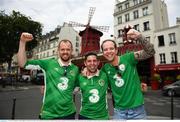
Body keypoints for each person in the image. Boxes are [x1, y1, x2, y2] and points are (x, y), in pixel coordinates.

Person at [17, 32, 79, 119]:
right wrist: (22, 42)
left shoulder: (75, 69)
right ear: (58, 51)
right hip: (49, 114)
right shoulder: (48, 63)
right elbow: (22, 63)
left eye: (68, 49)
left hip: (69, 114)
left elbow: (75, 87)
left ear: (71, 51)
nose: (65, 52)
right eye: (62, 49)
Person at [101, 25, 155, 119]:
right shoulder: (105, 68)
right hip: (119, 112)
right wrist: (86, 70)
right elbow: (96, 78)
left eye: (111, 48)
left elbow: (150, 52)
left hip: (137, 110)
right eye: (105, 49)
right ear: (103, 53)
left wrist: (139, 36)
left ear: (116, 50)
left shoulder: (129, 58)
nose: (108, 51)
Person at [78, 52, 109, 120]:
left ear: (98, 62)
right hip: (84, 116)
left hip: (102, 117)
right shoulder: (80, 77)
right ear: (85, 63)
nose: (92, 63)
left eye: (94, 61)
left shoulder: (105, 75)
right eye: (89, 61)